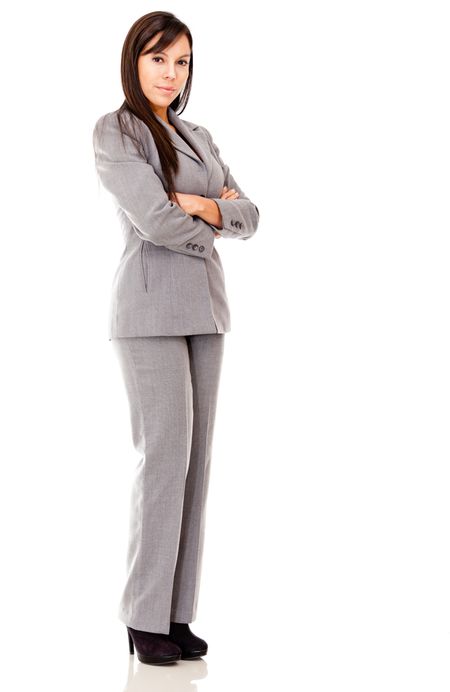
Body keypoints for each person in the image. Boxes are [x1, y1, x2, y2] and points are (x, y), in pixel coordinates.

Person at [92, 11, 259, 666]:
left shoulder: (199, 135)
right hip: (149, 309)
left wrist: (209, 208)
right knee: (162, 460)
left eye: (181, 61)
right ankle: (142, 616)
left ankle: (176, 612)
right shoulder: (117, 131)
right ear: (135, 62)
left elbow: (252, 212)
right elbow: (154, 220)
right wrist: (212, 219)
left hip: (207, 313)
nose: (170, 73)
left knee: (198, 466)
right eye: (158, 58)